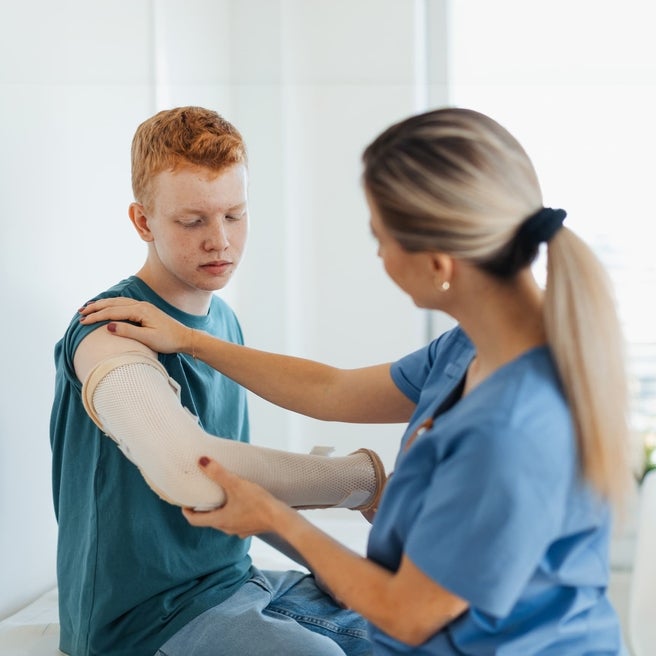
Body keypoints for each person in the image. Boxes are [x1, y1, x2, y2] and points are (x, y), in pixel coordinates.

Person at [80, 107, 632, 654]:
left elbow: (410, 614)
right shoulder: (469, 351)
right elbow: (331, 391)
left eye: (381, 237)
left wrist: (282, 515)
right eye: (193, 220)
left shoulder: (512, 426)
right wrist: (193, 341)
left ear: (439, 264)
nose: (377, 254)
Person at [51, 106, 377, 656]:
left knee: (411, 631)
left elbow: (239, 492)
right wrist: (361, 480)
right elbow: (190, 472)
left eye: (234, 215)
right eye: (192, 221)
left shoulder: (221, 323)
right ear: (143, 222)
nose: (220, 241)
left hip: (233, 582)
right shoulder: (108, 326)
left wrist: (328, 564)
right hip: (146, 622)